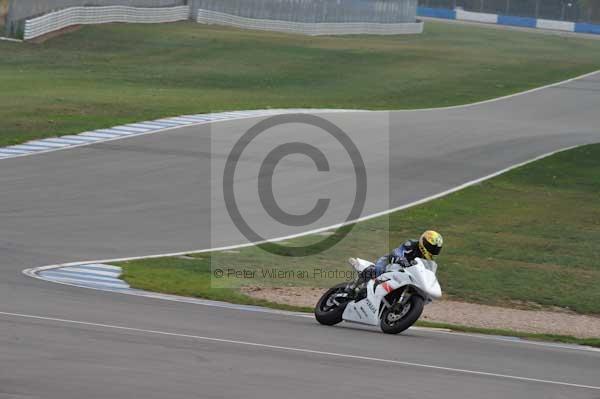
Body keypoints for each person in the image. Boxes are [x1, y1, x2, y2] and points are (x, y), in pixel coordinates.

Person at [359, 230, 444, 281]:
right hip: (390, 262)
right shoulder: (412, 244)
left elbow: (428, 274)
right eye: (432, 248)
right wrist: (401, 259)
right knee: (378, 271)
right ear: (424, 242)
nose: (433, 251)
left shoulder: (428, 262)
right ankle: (354, 287)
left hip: (404, 275)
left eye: (436, 249)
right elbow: (397, 251)